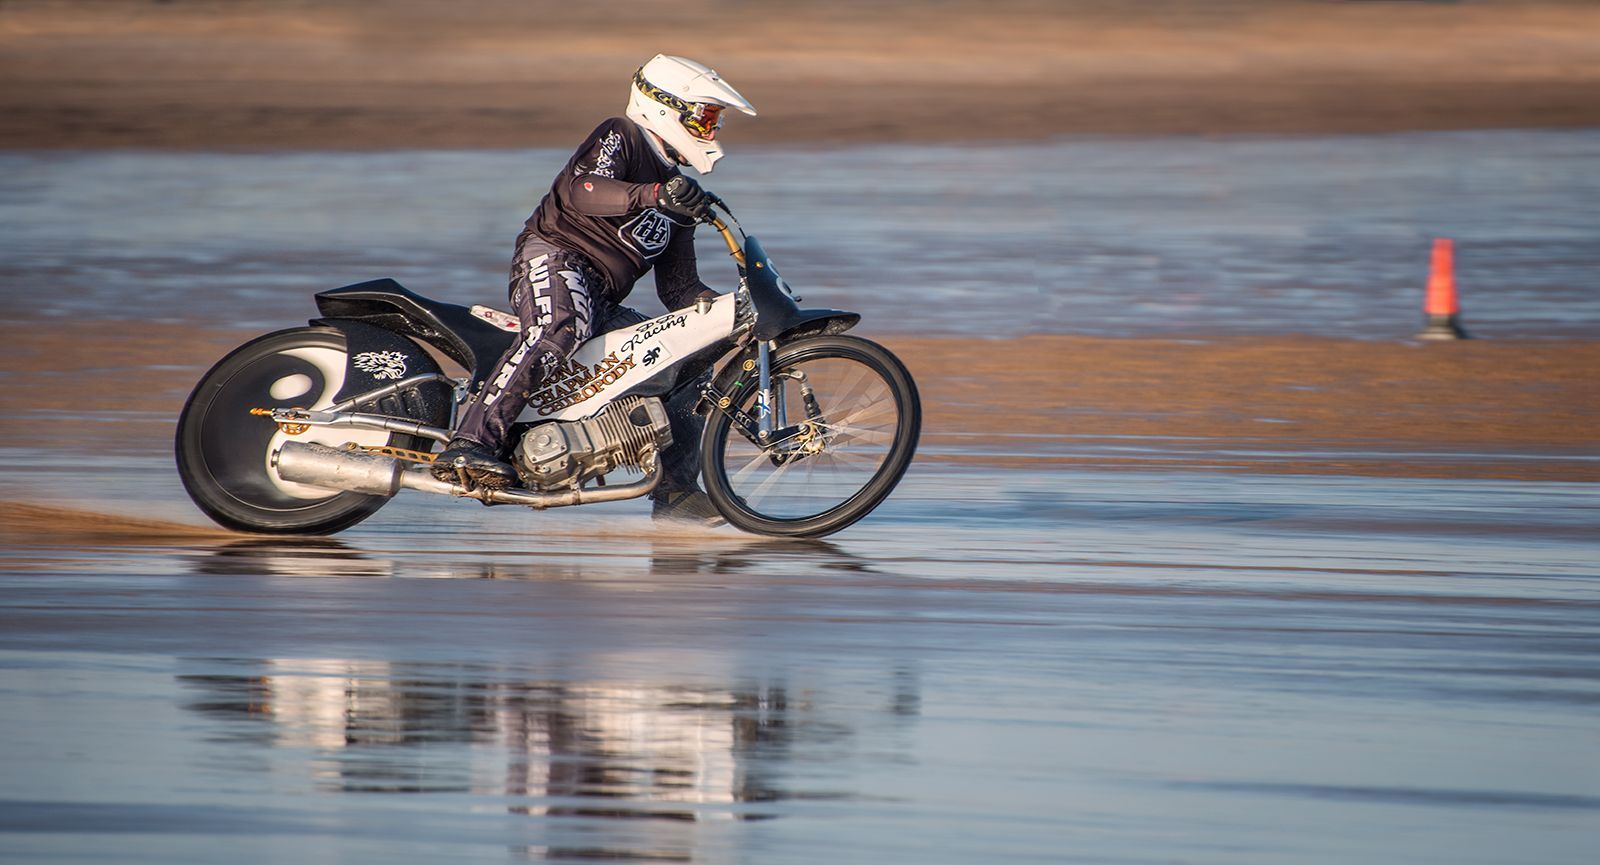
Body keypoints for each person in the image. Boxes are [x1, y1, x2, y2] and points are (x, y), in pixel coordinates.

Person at [431, 54, 757, 524]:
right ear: (666, 106)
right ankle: (471, 443)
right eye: (704, 117)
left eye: (714, 121)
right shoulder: (621, 135)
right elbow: (582, 190)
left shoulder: (678, 194)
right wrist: (651, 194)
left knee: (685, 364)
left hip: (601, 298)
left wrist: (714, 310)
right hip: (553, 257)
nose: (711, 130)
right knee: (560, 326)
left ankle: (676, 495)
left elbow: (679, 288)